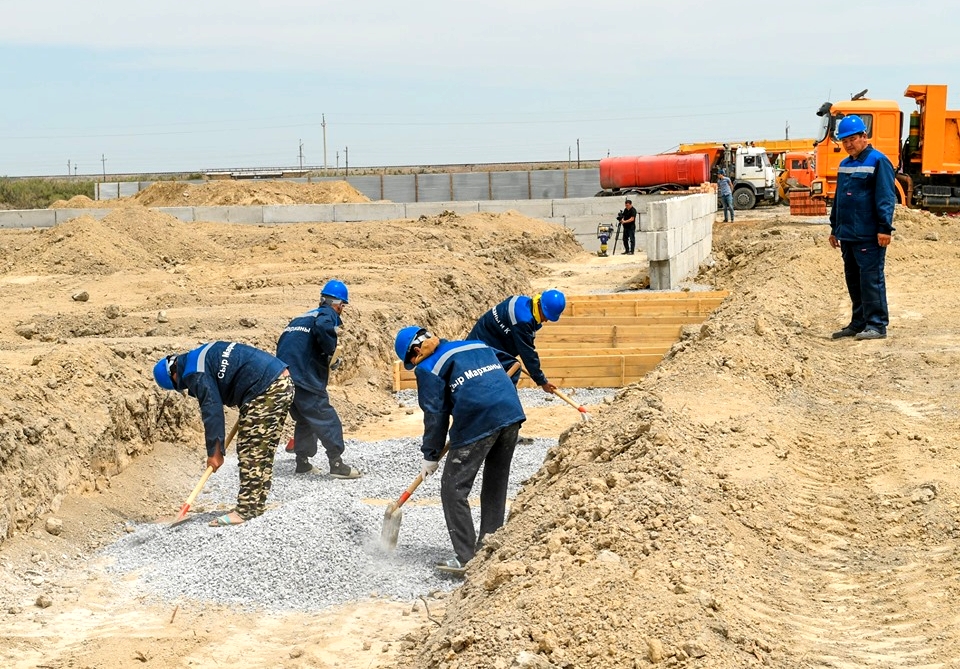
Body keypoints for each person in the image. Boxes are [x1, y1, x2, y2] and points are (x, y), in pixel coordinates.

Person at [394, 326, 526, 576]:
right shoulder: (473, 345)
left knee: (453, 487)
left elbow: (435, 414)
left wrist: (430, 455)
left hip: (478, 420)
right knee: (496, 482)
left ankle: (466, 557)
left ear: (415, 351)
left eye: (411, 360)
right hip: (510, 413)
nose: (414, 364)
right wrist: (498, 392)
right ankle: (490, 547)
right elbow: (513, 364)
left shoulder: (428, 367)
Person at [152, 341, 293, 527]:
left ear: (174, 375)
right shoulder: (198, 357)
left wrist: (215, 452)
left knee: (251, 451)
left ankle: (246, 510)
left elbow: (212, 410)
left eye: (179, 385)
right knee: (263, 450)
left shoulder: (195, 372)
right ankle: (256, 506)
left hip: (266, 389)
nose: (185, 386)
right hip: (281, 382)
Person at [276, 279, 361, 478]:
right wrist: (330, 352)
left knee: (305, 419)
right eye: (342, 306)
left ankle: (303, 463)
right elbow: (323, 327)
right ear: (337, 304)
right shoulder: (326, 314)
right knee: (326, 418)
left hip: (283, 376)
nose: (341, 310)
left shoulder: (301, 318)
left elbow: (285, 343)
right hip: (303, 377)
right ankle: (337, 464)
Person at [828, 115, 896, 341]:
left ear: (864, 136)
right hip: (848, 234)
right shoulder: (845, 164)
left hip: (868, 234)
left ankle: (876, 325)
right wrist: (834, 228)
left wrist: (884, 228)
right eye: (844, 140)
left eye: (852, 139)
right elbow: (839, 199)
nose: (848, 144)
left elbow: (885, 197)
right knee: (854, 280)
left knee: (870, 280)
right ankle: (858, 323)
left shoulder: (879, 161)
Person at [465, 290, 566, 394]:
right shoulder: (523, 320)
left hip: (481, 341)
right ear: (540, 305)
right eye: (546, 316)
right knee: (512, 366)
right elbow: (527, 353)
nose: (546, 320)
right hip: (481, 350)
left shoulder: (522, 301)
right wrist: (542, 381)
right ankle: (502, 400)